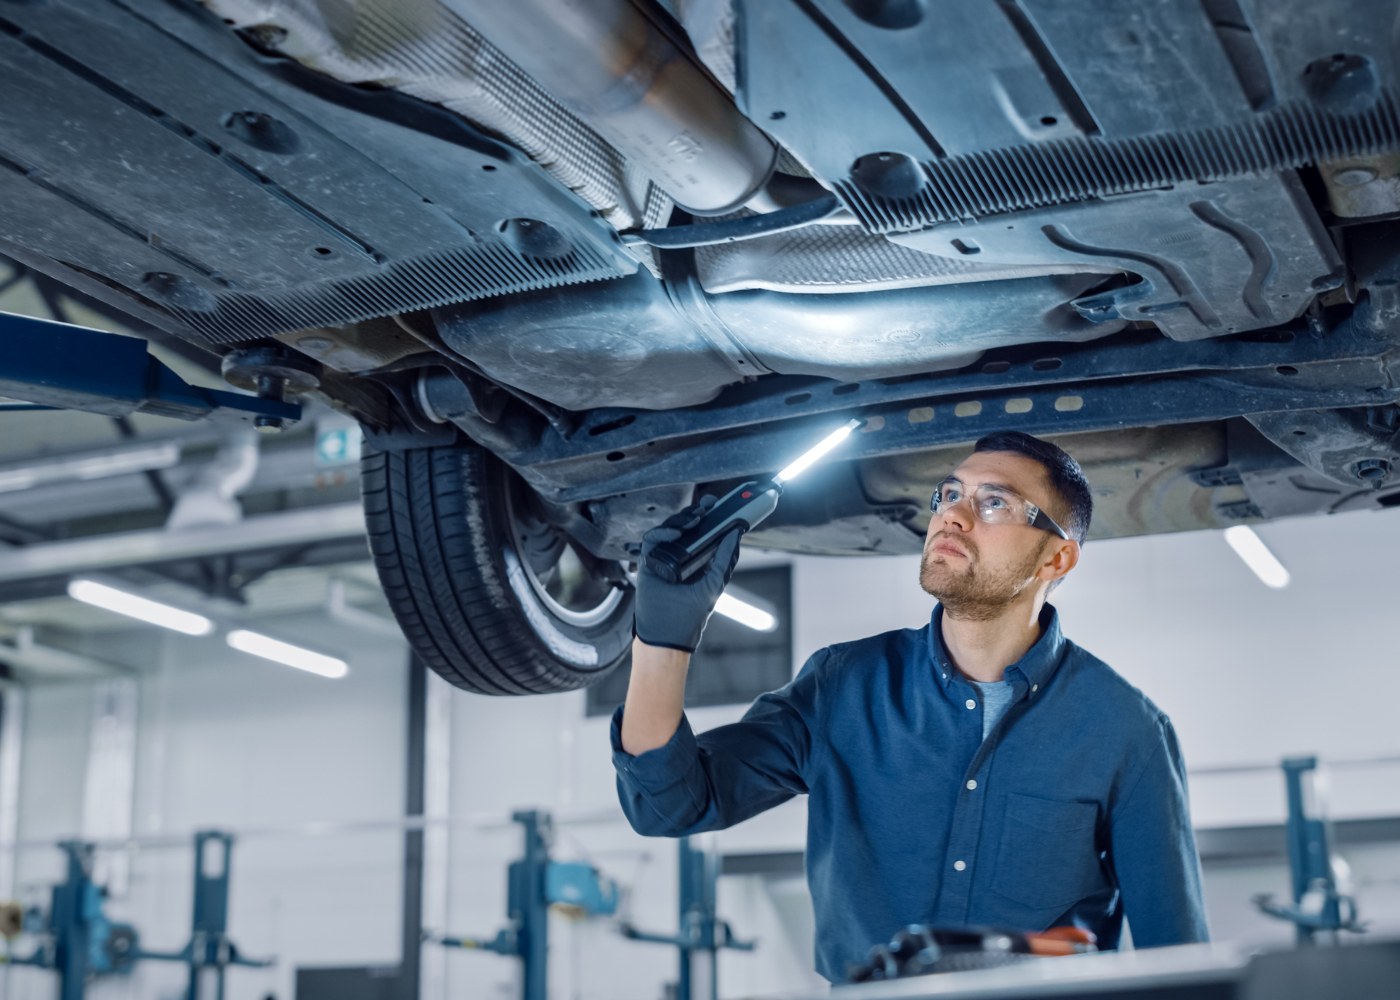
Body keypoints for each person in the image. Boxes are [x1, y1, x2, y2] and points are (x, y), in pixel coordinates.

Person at [610, 431, 1209, 982]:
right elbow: (671, 806)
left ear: (1056, 558)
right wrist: (663, 638)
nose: (953, 512)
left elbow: (1178, 957)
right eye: (950, 493)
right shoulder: (842, 686)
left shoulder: (1126, 730)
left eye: (994, 502)